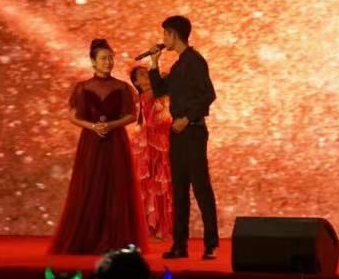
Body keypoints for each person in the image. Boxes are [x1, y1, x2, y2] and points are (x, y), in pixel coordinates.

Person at [49, 40, 148, 255]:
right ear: (93, 62)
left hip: (116, 142)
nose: (108, 62)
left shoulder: (122, 87)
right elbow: (73, 117)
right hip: (91, 143)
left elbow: (132, 115)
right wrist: (93, 127)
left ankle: (116, 239)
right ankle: (88, 238)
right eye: (103, 58)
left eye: (110, 58)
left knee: (116, 187)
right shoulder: (83, 87)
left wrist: (111, 125)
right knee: (89, 186)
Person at [147, 16, 219, 260]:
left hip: (193, 130)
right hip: (178, 133)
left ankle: (210, 244)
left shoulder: (195, 61)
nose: (163, 39)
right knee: (179, 189)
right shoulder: (178, 66)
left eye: (165, 34)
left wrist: (187, 118)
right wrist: (154, 63)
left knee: (200, 187)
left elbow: (208, 94)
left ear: (174, 35)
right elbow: (160, 90)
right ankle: (180, 245)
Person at [130, 66, 174, 240]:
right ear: (136, 82)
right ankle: (150, 228)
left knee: (161, 187)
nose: (147, 76)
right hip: (148, 146)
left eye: (147, 73)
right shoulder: (145, 96)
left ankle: (161, 228)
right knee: (150, 187)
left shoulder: (159, 93)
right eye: (141, 75)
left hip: (162, 143)